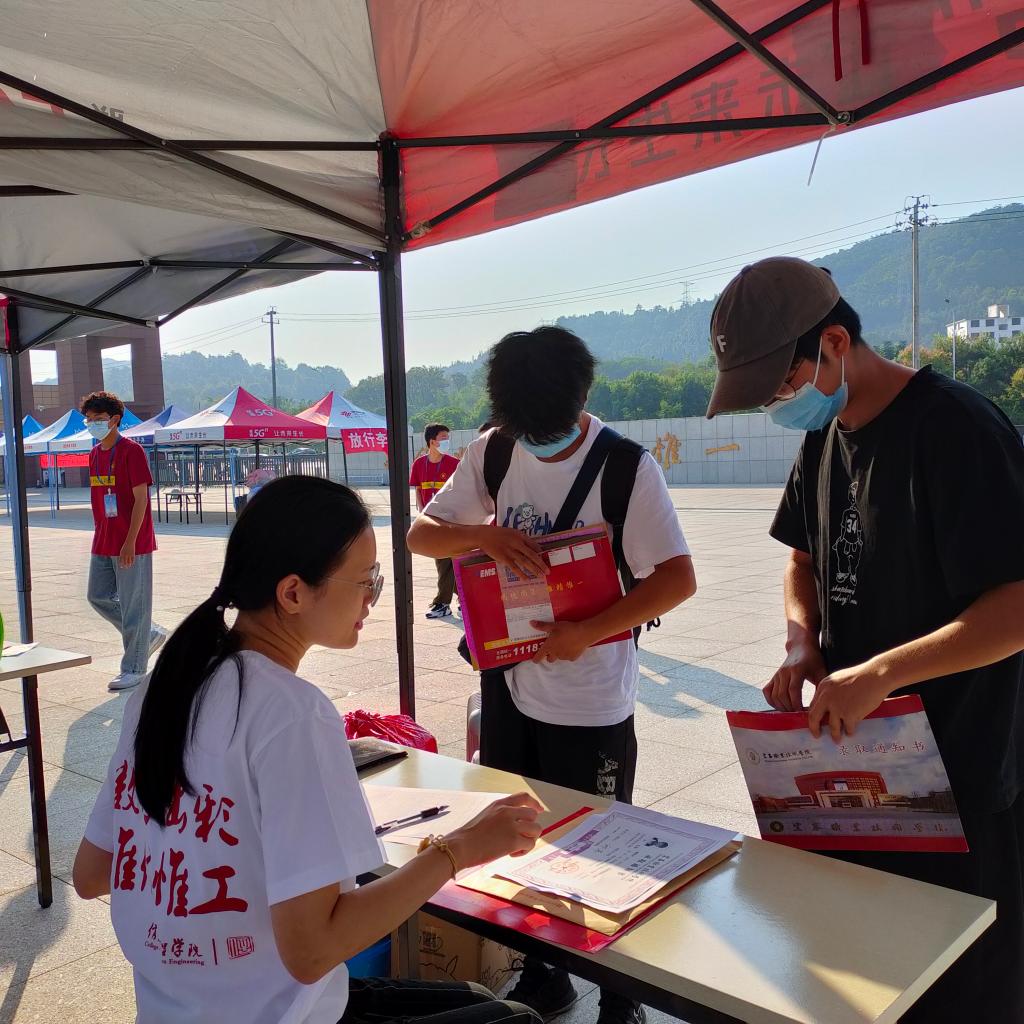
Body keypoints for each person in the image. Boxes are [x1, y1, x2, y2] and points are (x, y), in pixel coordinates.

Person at [73, 475, 544, 1024]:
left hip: (173, 1010)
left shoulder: (163, 686)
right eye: (365, 580)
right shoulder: (291, 713)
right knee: (517, 1019)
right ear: (293, 592)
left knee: (477, 1000)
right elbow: (312, 952)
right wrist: (457, 849)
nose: (370, 598)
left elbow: (91, 873)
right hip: (274, 1014)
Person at [705, 256, 1024, 1022]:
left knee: (963, 990)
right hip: (859, 777)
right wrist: (801, 642)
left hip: (961, 780)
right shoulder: (824, 438)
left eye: (781, 386)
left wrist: (879, 673)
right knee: (863, 979)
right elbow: (802, 561)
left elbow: (1015, 606)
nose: (777, 406)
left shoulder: (956, 431)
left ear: (836, 344)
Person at [408, 327, 696, 1024]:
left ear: (582, 398)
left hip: (591, 698)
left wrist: (587, 634)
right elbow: (422, 534)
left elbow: (677, 579)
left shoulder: (626, 468)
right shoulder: (494, 451)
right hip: (508, 687)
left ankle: (620, 1000)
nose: (537, 442)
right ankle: (546, 975)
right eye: (524, 430)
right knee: (518, 837)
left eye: (549, 431)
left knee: (605, 854)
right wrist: (482, 534)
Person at [82, 391, 167, 691]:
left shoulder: (132, 451)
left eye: (98, 419)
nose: (92, 424)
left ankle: (134, 667)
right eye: (89, 420)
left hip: (132, 541)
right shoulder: (94, 454)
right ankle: (148, 634)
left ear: (115, 419)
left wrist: (130, 541)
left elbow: (141, 499)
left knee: (134, 605)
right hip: (104, 539)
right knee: (97, 596)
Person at [410, 423, 461, 619]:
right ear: (432, 442)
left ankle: (442, 603)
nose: (447, 441)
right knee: (446, 560)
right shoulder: (419, 464)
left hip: (451, 519)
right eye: (443, 438)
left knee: (445, 559)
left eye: (448, 437)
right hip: (431, 518)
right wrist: (421, 512)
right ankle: (463, 597)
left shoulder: (454, 464)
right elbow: (418, 489)